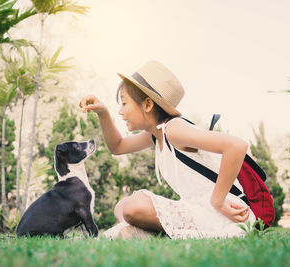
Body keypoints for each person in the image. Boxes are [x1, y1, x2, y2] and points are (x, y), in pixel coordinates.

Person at [79, 60, 255, 239]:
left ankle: (148, 233)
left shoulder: (174, 129)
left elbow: (236, 146)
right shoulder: (156, 134)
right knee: (122, 206)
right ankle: (147, 233)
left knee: (134, 206)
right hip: (199, 208)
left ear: (148, 105)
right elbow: (117, 146)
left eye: (124, 103)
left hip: (224, 212)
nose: (120, 111)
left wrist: (218, 201)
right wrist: (103, 112)